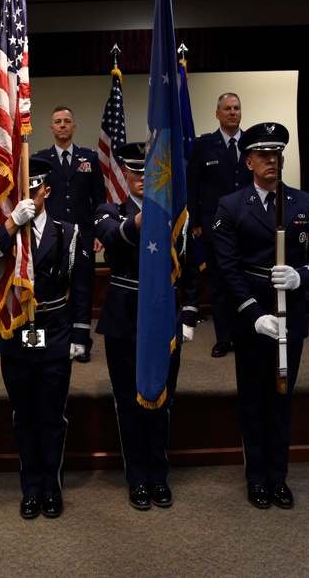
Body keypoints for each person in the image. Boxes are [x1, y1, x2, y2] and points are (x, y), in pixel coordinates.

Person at [212, 122, 309, 510]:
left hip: (290, 315)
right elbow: (227, 269)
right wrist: (252, 315)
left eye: (276, 154)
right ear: (248, 162)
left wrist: (302, 276)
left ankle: (278, 476)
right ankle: (256, 477)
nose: (271, 161)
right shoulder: (231, 205)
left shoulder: (303, 202)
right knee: (252, 399)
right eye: (263, 155)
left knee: (281, 398)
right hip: (252, 319)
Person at [0, 157, 93, 520]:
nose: (27, 195)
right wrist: (12, 225)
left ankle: (52, 487)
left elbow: (82, 285)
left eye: (34, 187)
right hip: (16, 333)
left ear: (46, 190)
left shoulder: (68, 231)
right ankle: (31, 488)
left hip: (54, 332)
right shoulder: (4, 229)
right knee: (24, 415)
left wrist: (80, 334)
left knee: (51, 415)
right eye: (20, 189)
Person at [94, 142, 200, 510]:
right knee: (128, 402)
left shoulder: (178, 215)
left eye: (148, 172)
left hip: (164, 319)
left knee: (161, 399)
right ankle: (137, 476)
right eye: (136, 172)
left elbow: (191, 265)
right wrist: (152, 214)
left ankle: (159, 474)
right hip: (125, 318)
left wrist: (188, 312)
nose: (142, 178)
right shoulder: (109, 210)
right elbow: (112, 237)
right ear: (124, 174)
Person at [32, 106, 105, 362]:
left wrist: (99, 232)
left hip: (84, 234)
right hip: (52, 238)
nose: (62, 125)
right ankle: (50, 338)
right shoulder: (40, 160)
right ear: (51, 129)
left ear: (74, 127)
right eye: (57, 122)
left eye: (67, 121)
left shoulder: (90, 159)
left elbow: (99, 199)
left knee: (83, 287)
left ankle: (81, 341)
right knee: (50, 288)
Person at [186, 93, 248, 358]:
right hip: (214, 224)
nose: (232, 112)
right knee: (220, 284)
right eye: (227, 108)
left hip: (248, 222)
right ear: (217, 113)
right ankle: (224, 338)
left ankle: (246, 335)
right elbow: (192, 184)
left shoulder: (252, 142)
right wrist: (196, 222)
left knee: (247, 280)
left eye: (236, 108)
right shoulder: (204, 145)